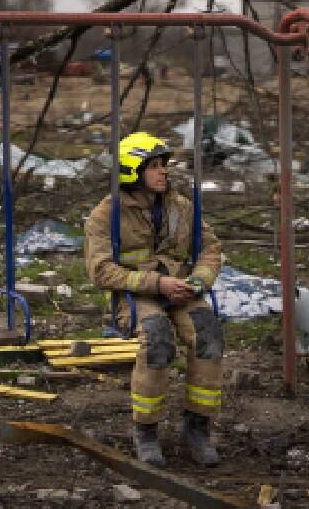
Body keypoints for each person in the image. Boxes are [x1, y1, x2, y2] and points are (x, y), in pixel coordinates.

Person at [84, 131, 225, 467]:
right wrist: (156, 284)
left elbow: (210, 248)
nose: (164, 172)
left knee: (208, 333)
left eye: (165, 165)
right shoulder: (106, 215)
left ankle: (198, 427)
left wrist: (198, 281)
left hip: (182, 290)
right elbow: (101, 271)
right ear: (132, 171)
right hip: (135, 295)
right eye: (155, 166)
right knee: (157, 338)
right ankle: (146, 430)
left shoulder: (182, 207)